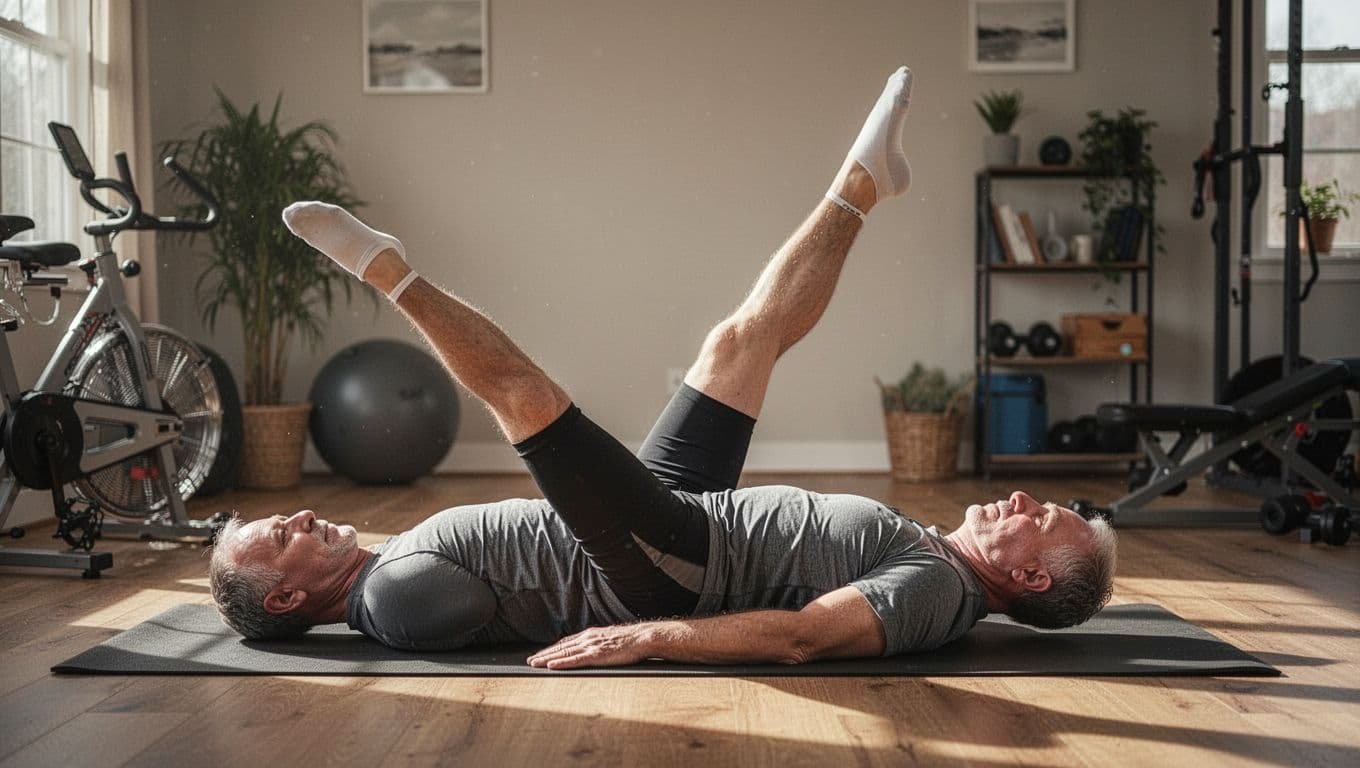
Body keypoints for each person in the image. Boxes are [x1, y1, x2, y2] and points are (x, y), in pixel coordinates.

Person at [209, 67, 1117, 669]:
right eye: (1053, 506)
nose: (1030, 501)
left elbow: (801, 638)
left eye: (1048, 522)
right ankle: (864, 182)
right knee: (736, 345)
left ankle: (387, 271)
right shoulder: (941, 561)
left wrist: (648, 635)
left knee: (527, 400)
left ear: (1029, 580)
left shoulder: (938, 592)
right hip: (687, 526)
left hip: (667, 563)